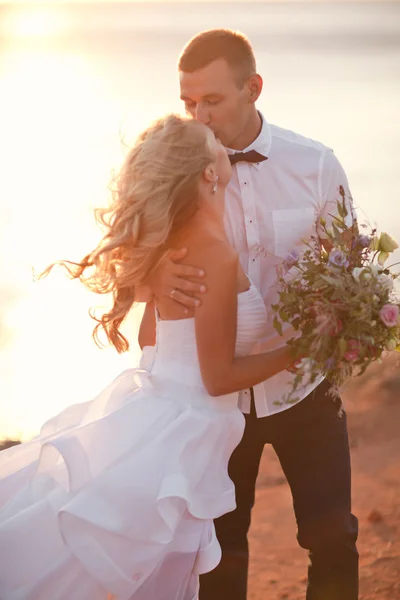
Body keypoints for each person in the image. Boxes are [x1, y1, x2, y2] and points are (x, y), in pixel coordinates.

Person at [0, 114, 297, 600]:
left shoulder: (175, 245)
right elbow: (219, 378)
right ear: (206, 172)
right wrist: (301, 351)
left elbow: (150, 340)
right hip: (182, 430)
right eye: (211, 142)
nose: (219, 138)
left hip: (163, 417)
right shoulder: (214, 253)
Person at [144, 30, 359, 600]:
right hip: (215, 402)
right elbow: (131, 251)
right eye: (188, 102)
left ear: (254, 88)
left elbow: (353, 261)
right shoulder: (173, 171)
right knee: (220, 555)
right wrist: (153, 277)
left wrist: (345, 324)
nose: (198, 115)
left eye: (211, 100)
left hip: (306, 386)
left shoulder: (315, 165)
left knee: (332, 534)